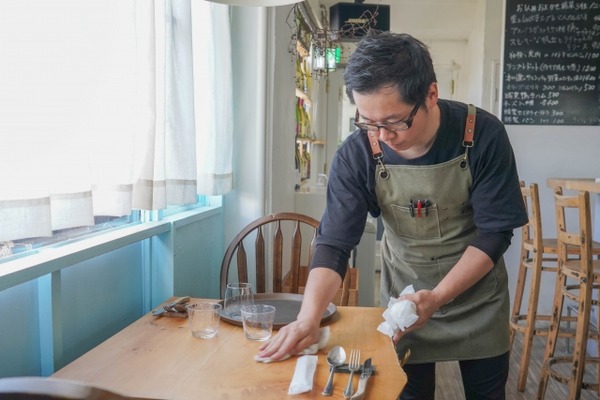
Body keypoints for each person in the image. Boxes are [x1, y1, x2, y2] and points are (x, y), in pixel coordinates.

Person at [258, 31, 527, 399]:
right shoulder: (357, 153)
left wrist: (437, 297)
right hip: (404, 302)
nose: (382, 136)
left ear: (431, 95)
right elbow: (335, 243)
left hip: (477, 299)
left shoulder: (483, 134)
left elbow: (495, 233)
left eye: (394, 122)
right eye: (368, 122)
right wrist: (308, 318)